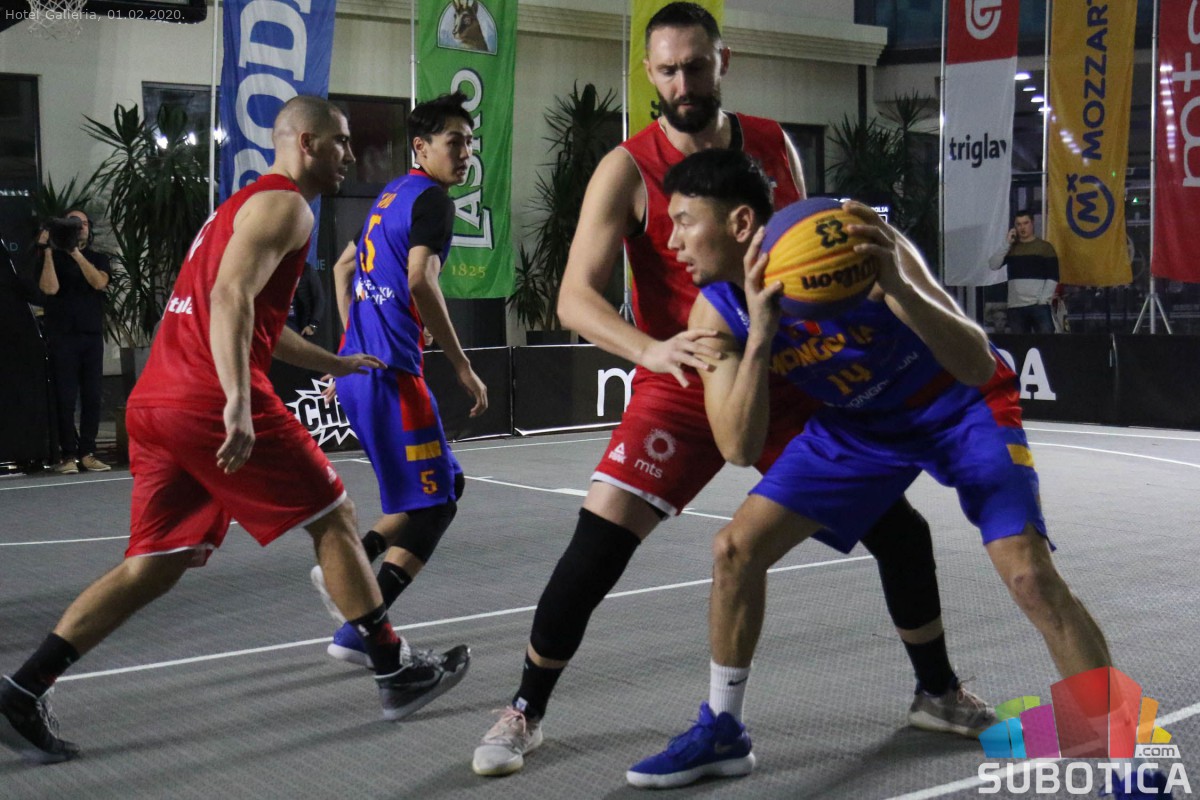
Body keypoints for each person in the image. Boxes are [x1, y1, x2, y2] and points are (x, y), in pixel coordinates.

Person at [471, 2, 993, 778]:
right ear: (650, 74)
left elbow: (802, 253)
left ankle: (937, 692)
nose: (683, 82)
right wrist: (651, 350)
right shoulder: (627, 168)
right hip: (684, 374)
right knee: (598, 544)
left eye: (696, 65)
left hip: (778, 370)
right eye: (668, 70)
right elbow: (574, 298)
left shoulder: (772, 144)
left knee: (899, 529)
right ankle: (524, 709)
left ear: (723, 61)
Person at [0, 96, 470, 767]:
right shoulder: (288, 206)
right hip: (207, 396)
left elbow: (252, 316)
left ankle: (24, 687)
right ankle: (395, 669)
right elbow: (228, 300)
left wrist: (335, 361)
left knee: (153, 564)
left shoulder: (238, 209)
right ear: (305, 143)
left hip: (157, 400)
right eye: (340, 141)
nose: (350, 154)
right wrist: (238, 403)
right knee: (334, 515)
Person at [626, 149, 1113, 788]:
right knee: (735, 550)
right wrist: (763, 336)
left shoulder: (854, 238)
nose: (672, 241)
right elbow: (739, 447)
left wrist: (900, 288)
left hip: (957, 406)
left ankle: (1114, 748)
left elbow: (975, 364)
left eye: (685, 222)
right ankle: (722, 728)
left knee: (1028, 574)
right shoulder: (717, 313)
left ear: (740, 222)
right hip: (859, 425)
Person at [308, 92, 488, 667]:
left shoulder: (390, 196)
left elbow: (344, 268)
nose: (465, 153)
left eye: (470, 143)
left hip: (363, 374)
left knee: (444, 489)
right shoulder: (433, 201)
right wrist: (461, 364)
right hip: (392, 380)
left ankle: (357, 591)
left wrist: (350, 348)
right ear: (421, 147)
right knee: (434, 505)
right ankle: (359, 604)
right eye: (454, 142)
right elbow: (418, 281)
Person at [36, 209, 113, 474]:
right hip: (62, 336)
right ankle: (68, 454)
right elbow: (49, 288)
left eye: (82, 224)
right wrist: (48, 249)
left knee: (92, 396)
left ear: (89, 229)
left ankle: (88, 452)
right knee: (65, 397)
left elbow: (99, 282)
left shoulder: (98, 258)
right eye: (72, 224)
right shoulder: (52, 258)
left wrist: (76, 253)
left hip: (91, 335)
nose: (78, 228)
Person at [987, 209, 1060, 333]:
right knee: (1019, 342)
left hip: (1038, 305)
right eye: (1019, 224)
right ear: (1015, 227)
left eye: (1026, 223)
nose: (1022, 227)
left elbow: (1053, 276)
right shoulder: (1011, 248)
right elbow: (993, 265)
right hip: (1016, 306)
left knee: (1046, 341)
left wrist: (1043, 300)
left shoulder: (1045, 247)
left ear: (1032, 223)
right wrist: (1007, 243)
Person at [285, 261, 325, 337]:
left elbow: (319, 299)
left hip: (303, 327)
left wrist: (312, 326)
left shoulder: (308, 270)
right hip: (284, 325)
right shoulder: (278, 270)